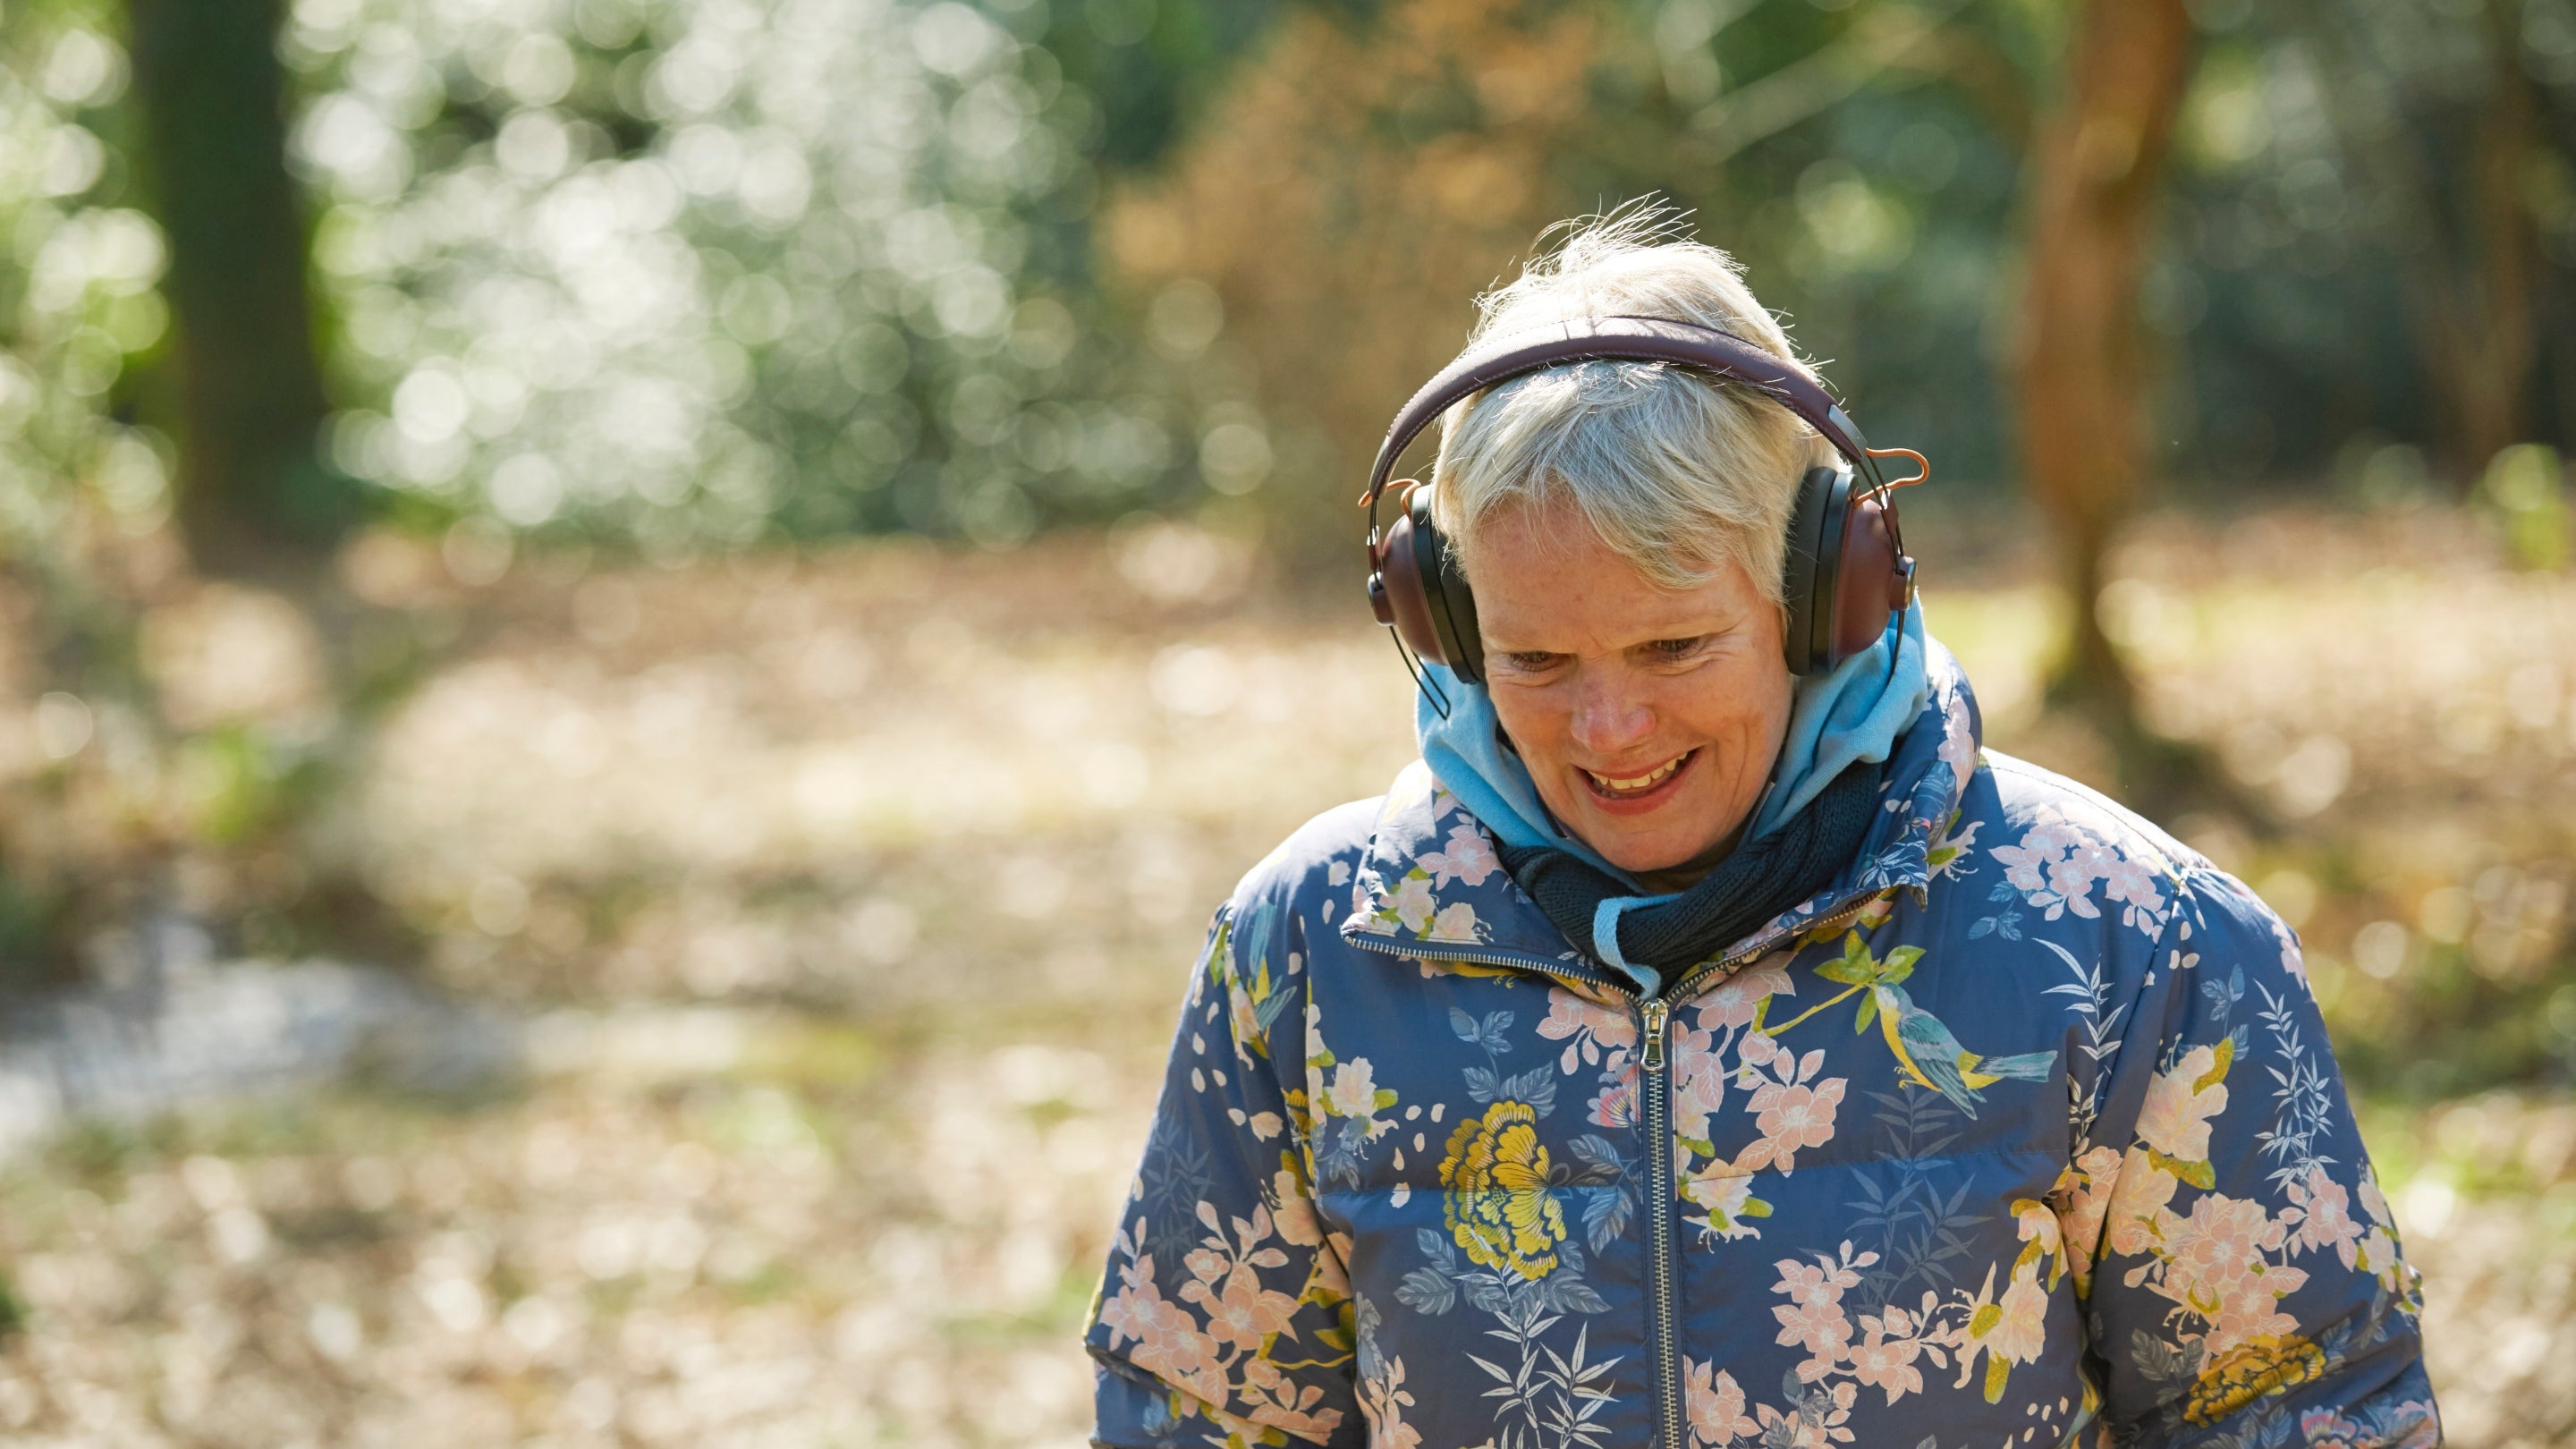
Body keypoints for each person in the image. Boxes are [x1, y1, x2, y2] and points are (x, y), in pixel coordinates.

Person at [1080, 209, 2436, 1449]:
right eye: (1537, 662)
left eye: (1673, 644)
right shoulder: (1309, 958)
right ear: (1441, 619)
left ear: (1820, 596)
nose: (1608, 730)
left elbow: (2302, 1407)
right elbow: (1203, 1414)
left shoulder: (2138, 947)